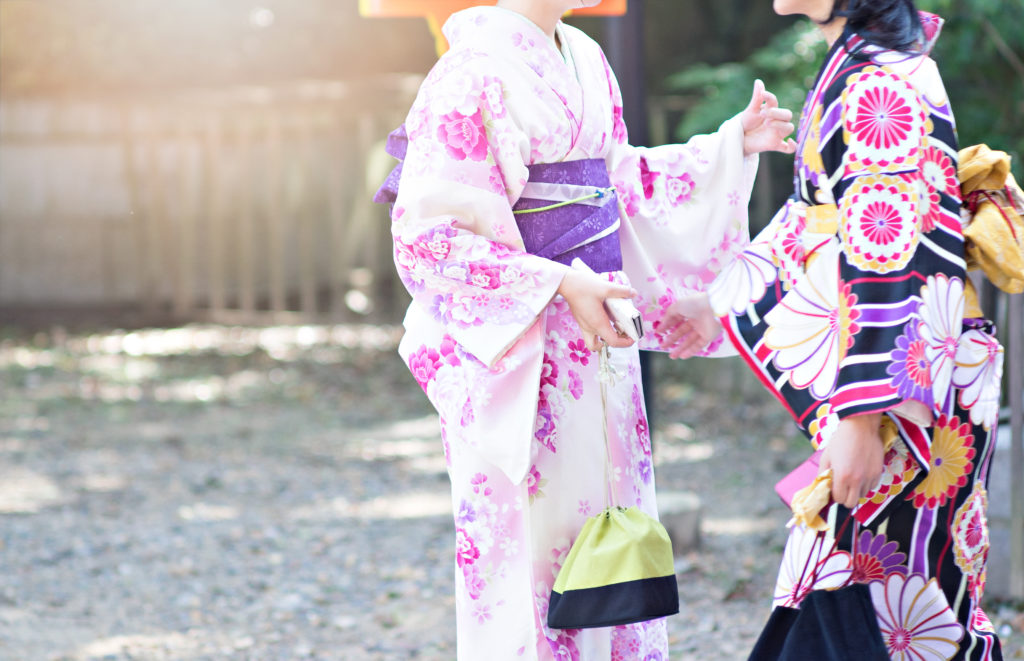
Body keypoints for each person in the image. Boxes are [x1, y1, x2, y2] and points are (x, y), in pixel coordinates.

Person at [374, 0, 796, 658]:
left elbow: (621, 185)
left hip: (599, 342)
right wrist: (560, 283)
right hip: (522, 354)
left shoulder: (587, 60)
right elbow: (427, 240)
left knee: (613, 539)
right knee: (527, 564)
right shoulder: (467, 75)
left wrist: (726, 149)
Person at [657, 0, 1005, 658]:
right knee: (870, 606)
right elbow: (820, 219)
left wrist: (862, 413)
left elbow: (890, 252)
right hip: (911, 384)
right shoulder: (863, 64)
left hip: (905, 402)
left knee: (893, 614)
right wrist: (719, 300)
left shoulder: (878, 81)